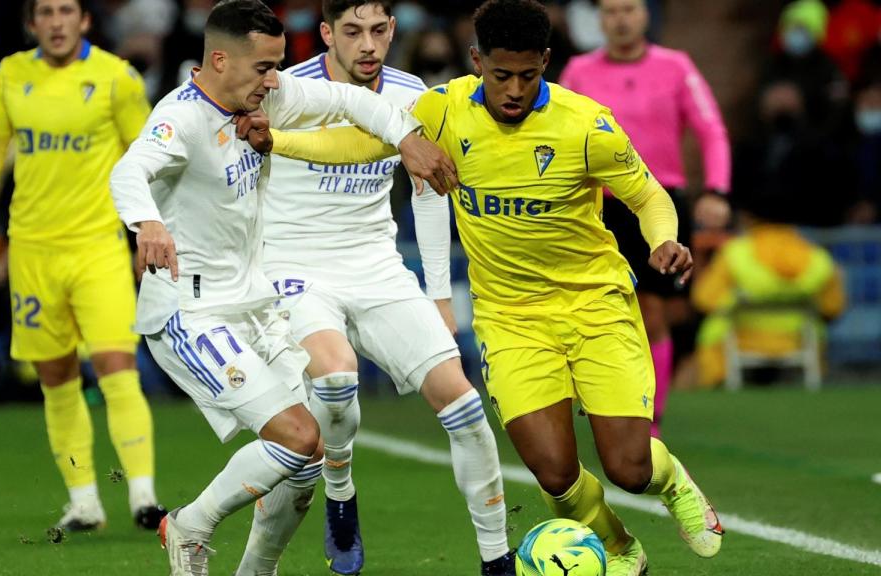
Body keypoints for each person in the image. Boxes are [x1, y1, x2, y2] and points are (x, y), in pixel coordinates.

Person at [267, 1, 724, 574]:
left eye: (528, 76)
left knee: (628, 468)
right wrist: (277, 143)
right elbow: (357, 144)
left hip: (594, 305)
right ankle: (617, 546)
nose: (513, 89)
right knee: (555, 473)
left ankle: (673, 481)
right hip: (510, 317)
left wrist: (663, 239)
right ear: (476, 60)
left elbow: (649, 195)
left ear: (546, 63)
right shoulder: (442, 110)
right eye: (500, 74)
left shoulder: (587, 125)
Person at [107, 1, 456, 574]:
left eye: (277, 67)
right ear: (219, 59)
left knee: (309, 455)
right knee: (296, 437)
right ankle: (189, 526)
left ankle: (255, 570)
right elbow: (129, 170)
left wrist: (406, 137)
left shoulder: (266, 97)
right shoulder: (181, 119)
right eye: (263, 68)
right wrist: (147, 222)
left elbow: (347, 99)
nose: (275, 81)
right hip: (191, 311)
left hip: (255, 303)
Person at [251, 1, 512, 575]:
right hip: (295, 269)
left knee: (466, 408)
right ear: (325, 34)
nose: (367, 45)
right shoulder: (285, 91)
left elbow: (429, 191)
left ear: (393, 29)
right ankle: (339, 482)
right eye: (352, 31)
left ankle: (498, 562)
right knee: (338, 378)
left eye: (377, 30)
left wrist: (440, 295)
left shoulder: (410, 91)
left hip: (377, 266)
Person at [0, 0, 165, 532]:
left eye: (66, 9)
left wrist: (148, 229)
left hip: (96, 247)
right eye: (45, 11)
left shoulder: (116, 78)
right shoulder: (11, 74)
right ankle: (84, 499)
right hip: (32, 249)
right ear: (31, 22)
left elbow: (146, 157)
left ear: (85, 20)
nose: (56, 21)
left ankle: (142, 497)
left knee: (117, 366)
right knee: (55, 376)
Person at [558, 0, 732, 437]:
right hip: (598, 206)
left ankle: (649, 420)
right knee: (594, 307)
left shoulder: (675, 67)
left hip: (658, 204)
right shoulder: (579, 71)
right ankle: (604, 402)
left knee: (654, 312)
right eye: (612, 11)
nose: (620, 19)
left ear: (645, 15)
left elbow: (711, 129)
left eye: (629, 9)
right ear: (599, 18)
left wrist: (716, 189)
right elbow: (554, 132)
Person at [691, 192, 846, 388]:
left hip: (741, 341)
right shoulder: (816, 256)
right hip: (798, 341)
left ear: (750, 218)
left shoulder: (735, 253)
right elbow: (833, 307)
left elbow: (704, 299)